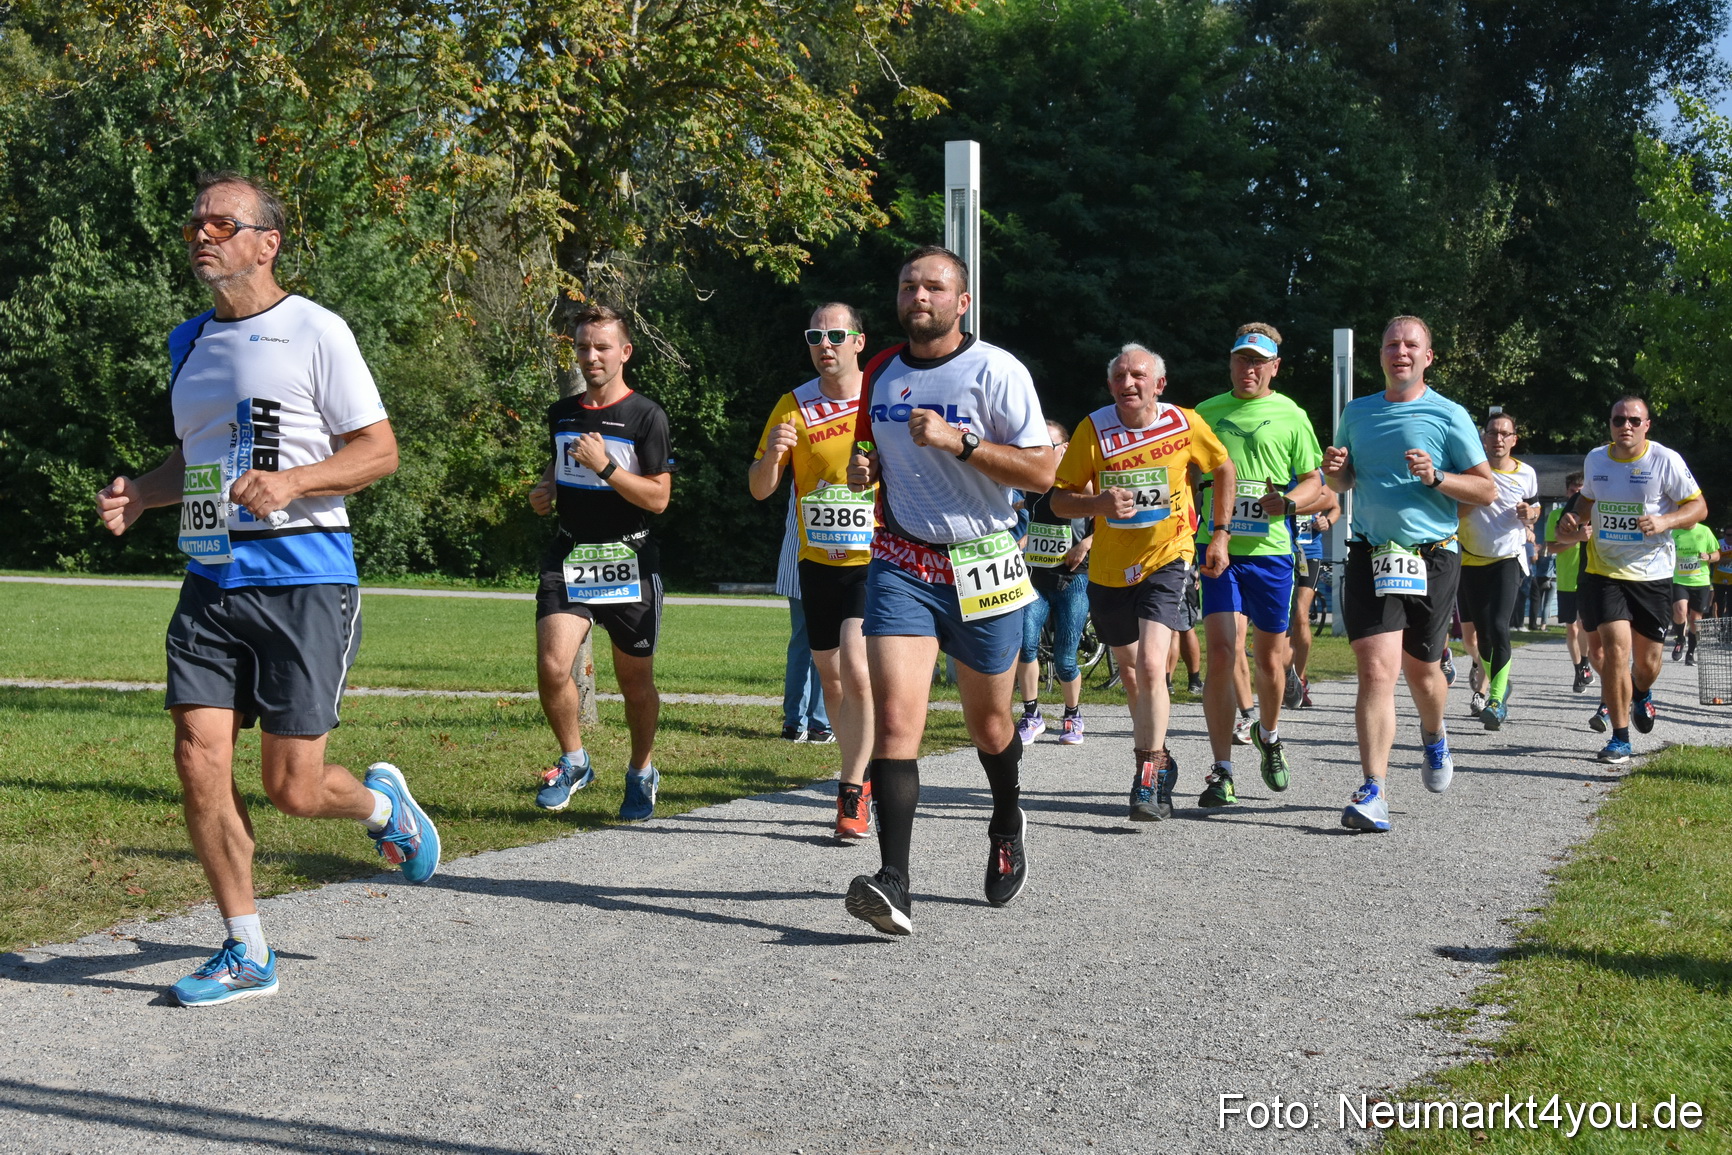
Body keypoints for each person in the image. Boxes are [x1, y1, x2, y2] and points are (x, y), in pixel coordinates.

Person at [94, 171, 435, 1006]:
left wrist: (294, 482)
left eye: (222, 222)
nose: (202, 235)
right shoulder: (186, 343)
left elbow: (380, 450)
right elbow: (199, 455)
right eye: (195, 224)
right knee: (197, 756)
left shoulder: (317, 329)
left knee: (294, 786)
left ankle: (383, 809)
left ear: (267, 241)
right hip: (212, 576)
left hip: (305, 578)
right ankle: (246, 948)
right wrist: (144, 491)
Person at [840, 247, 1055, 936]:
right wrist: (862, 468)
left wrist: (961, 444)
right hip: (902, 561)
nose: (919, 295)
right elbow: (863, 455)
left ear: (962, 302)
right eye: (908, 285)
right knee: (898, 722)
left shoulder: (995, 370)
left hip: (983, 561)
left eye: (934, 286)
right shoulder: (879, 370)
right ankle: (895, 881)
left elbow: (1042, 474)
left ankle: (1005, 817)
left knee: (990, 724)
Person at [1321, 316, 1496, 832]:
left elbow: (1486, 489)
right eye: (1392, 344)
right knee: (1377, 670)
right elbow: (1345, 479)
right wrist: (1336, 471)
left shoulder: (1448, 414)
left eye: (1411, 345)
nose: (1401, 351)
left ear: (1428, 356)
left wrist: (1438, 477)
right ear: (1380, 354)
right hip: (1372, 551)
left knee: (1423, 672)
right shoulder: (1356, 412)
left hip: (1433, 556)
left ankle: (1435, 733)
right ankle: (1374, 790)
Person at [1052, 344, 1234, 823]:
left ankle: (1147, 773)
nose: (1128, 384)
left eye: (1138, 375)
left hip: (1168, 557)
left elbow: (1223, 468)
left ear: (1159, 384)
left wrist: (1219, 532)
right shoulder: (1093, 429)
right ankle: (1162, 754)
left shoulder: (1186, 423)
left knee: (1154, 666)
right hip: (1111, 570)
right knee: (1132, 674)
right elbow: (1060, 501)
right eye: (1119, 377)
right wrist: (1099, 507)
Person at [528, 305, 674, 819]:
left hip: (629, 555)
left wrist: (607, 467)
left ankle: (641, 771)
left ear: (624, 353)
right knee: (551, 664)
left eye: (602, 347)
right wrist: (544, 489)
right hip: (570, 553)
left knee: (635, 682)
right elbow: (559, 463)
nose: (591, 356)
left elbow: (658, 499)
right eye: (584, 346)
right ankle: (574, 760)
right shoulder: (562, 413)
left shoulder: (646, 416)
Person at [751, 304, 875, 841]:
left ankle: (852, 790)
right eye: (815, 336)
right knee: (831, 676)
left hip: (875, 558)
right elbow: (759, 488)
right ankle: (860, 771)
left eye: (836, 335)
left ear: (858, 342)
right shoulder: (793, 404)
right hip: (818, 560)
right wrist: (772, 458)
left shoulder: (882, 398)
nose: (825, 344)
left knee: (856, 663)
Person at [1193, 325, 1326, 805]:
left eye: (1257, 362)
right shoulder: (1205, 413)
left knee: (1271, 659)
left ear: (1274, 368)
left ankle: (1269, 736)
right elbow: (1186, 474)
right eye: (1240, 360)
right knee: (1223, 654)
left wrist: (1289, 503)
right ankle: (1222, 769)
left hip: (1271, 553)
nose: (1248, 369)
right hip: (1219, 550)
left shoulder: (1291, 414)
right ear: (1230, 363)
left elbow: (1316, 481)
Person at [1554, 397, 1707, 764]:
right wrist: (1573, 518)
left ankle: (1641, 692)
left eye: (1634, 420)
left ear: (1646, 425)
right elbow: (1587, 499)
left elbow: (1698, 507)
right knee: (1613, 651)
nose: (1626, 426)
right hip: (1605, 572)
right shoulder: (1596, 459)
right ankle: (1620, 738)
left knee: (1648, 663)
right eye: (1618, 419)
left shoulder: (1664, 460)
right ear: (1609, 423)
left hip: (1652, 575)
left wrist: (1666, 521)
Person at [1454, 411, 1539, 729]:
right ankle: (1501, 682)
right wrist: (1476, 497)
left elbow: (1535, 508)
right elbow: (1455, 510)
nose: (1498, 439)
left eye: (1505, 433)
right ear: (1483, 437)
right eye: (1493, 433)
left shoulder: (1526, 473)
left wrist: (1529, 514)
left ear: (1514, 439)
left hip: (1508, 558)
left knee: (1500, 627)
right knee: (1483, 635)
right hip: (1471, 559)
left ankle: (1496, 699)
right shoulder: (1470, 472)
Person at [1015, 419, 1094, 745]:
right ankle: (1032, 715)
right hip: (1035, 578)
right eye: (1037, 445)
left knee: (1065, 656)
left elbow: (1106, 517)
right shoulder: (1032, 482)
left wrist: (1085, 544)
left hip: (1073, 578)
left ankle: (1073, 715)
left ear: (1064, 448)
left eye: (1049, 444)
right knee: (1026, 644)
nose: (1042, 451)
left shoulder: (1080, 483)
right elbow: (1023, 518)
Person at [775, 494, 833, 743]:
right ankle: (819, 724)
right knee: (828, 643)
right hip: (830, 558)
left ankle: (795, 723)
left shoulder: (796, 455)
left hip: (798, 556)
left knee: (802, 642)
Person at [1546, 471, 1598, 693]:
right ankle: (1579, 668)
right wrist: (1576, 537)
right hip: (1568, 579)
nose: (1575, 496)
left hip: (1589, 577)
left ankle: (1585, 662)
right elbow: (1551, 547)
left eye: (1580, 492)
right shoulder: (1558, 515)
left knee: (1582, 624)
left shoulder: (1595, 514)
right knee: (1572, 628)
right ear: (1566, 492)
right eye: (1571, 492)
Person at [1288, 497, 1339, 708]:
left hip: (1309, 553)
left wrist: (1328, 521)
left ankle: (1298, 681)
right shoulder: (1274, 468)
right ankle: (1282, 674)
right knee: (1281, 617)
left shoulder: (1314, 470)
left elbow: (1335, 506)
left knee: (1300, 614)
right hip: (1277, 550)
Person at [1668, 522, 1719, 665]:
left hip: (1700, 581)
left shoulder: (1705, 530)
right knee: (1680, 610)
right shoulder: (1674, 531)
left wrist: (1708, 557)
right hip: (1679, 579)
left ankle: (1690, 653)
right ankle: (1680, 638)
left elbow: (1717, 554)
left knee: (1695, 620)